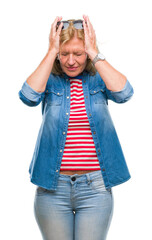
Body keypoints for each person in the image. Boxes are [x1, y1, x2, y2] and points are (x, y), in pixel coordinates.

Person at [18, 15, 134, 240]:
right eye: (64, 54)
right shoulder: (49, 80)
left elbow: (124, 93)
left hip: (95, 188)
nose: (71, 61)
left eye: (78, 53)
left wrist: (93, 52)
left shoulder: (98, 79)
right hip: (52, 188)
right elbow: (28, 96)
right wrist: (52, 51)